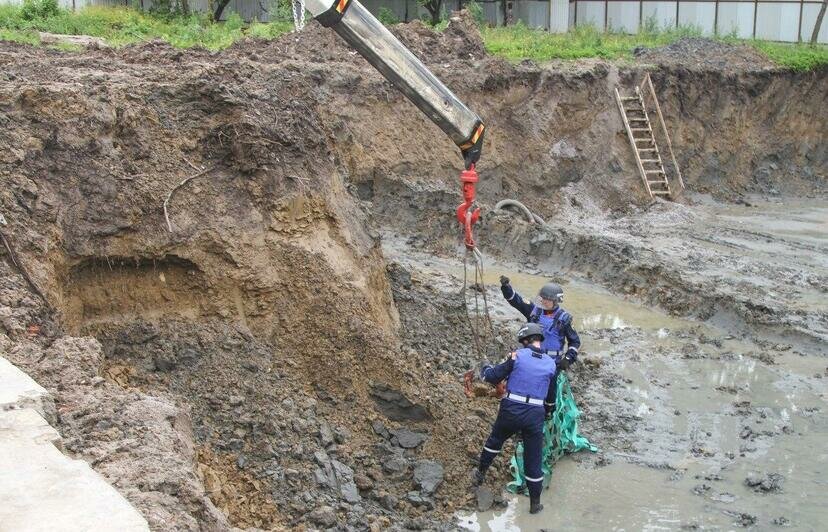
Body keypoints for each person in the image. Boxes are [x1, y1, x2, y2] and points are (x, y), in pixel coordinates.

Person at [471, 322, 557, 514]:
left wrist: (485, 367)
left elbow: (493, 377)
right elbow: (551, 398)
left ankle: (480, 474)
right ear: (539, 341)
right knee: (533, 457)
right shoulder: (551, 364)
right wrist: (548, 412)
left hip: (512, 409)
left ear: (525, 340)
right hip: (535, 413)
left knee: (495, 441)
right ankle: (535, 504)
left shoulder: (516, 356)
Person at [499, 277, 580, 371]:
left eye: (547, 299)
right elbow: (517, 301)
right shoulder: (534, 311)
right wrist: (506, 287)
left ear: (556, 301)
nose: (543, 301)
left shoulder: (564, 319)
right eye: (543, 298)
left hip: (551, 363)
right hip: (529, 359)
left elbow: (575, 342)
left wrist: (567, 359)